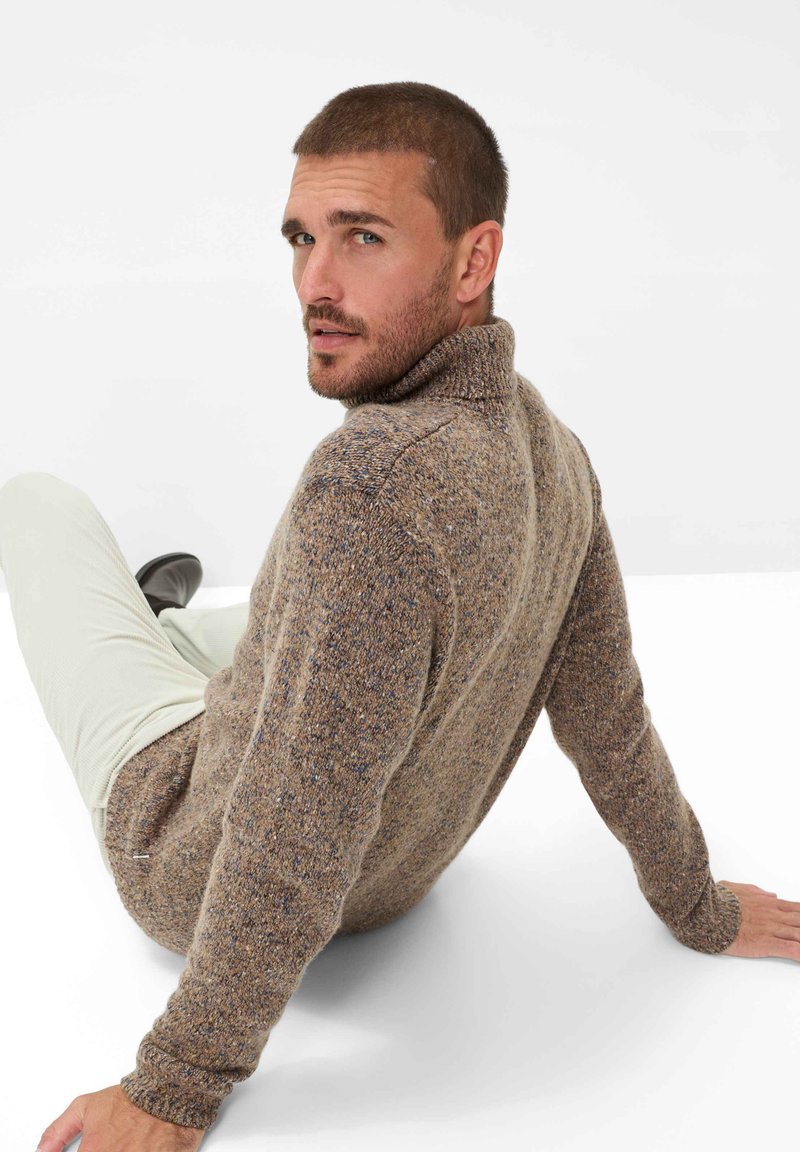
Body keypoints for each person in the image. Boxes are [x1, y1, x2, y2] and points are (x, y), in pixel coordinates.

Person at [1, 81, 797, 1152]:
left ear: (473, 261)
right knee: (288, 621)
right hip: (392, 884)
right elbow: (607, 717)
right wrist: (692, 900)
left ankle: (153, 627)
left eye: (363, 237)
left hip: (184, 853)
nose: (314, 285)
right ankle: (168, 629)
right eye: (301, 239)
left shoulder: (366, 488)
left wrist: (174, 1087)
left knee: (35, 505)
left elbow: (290, 833)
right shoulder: (552, 452)